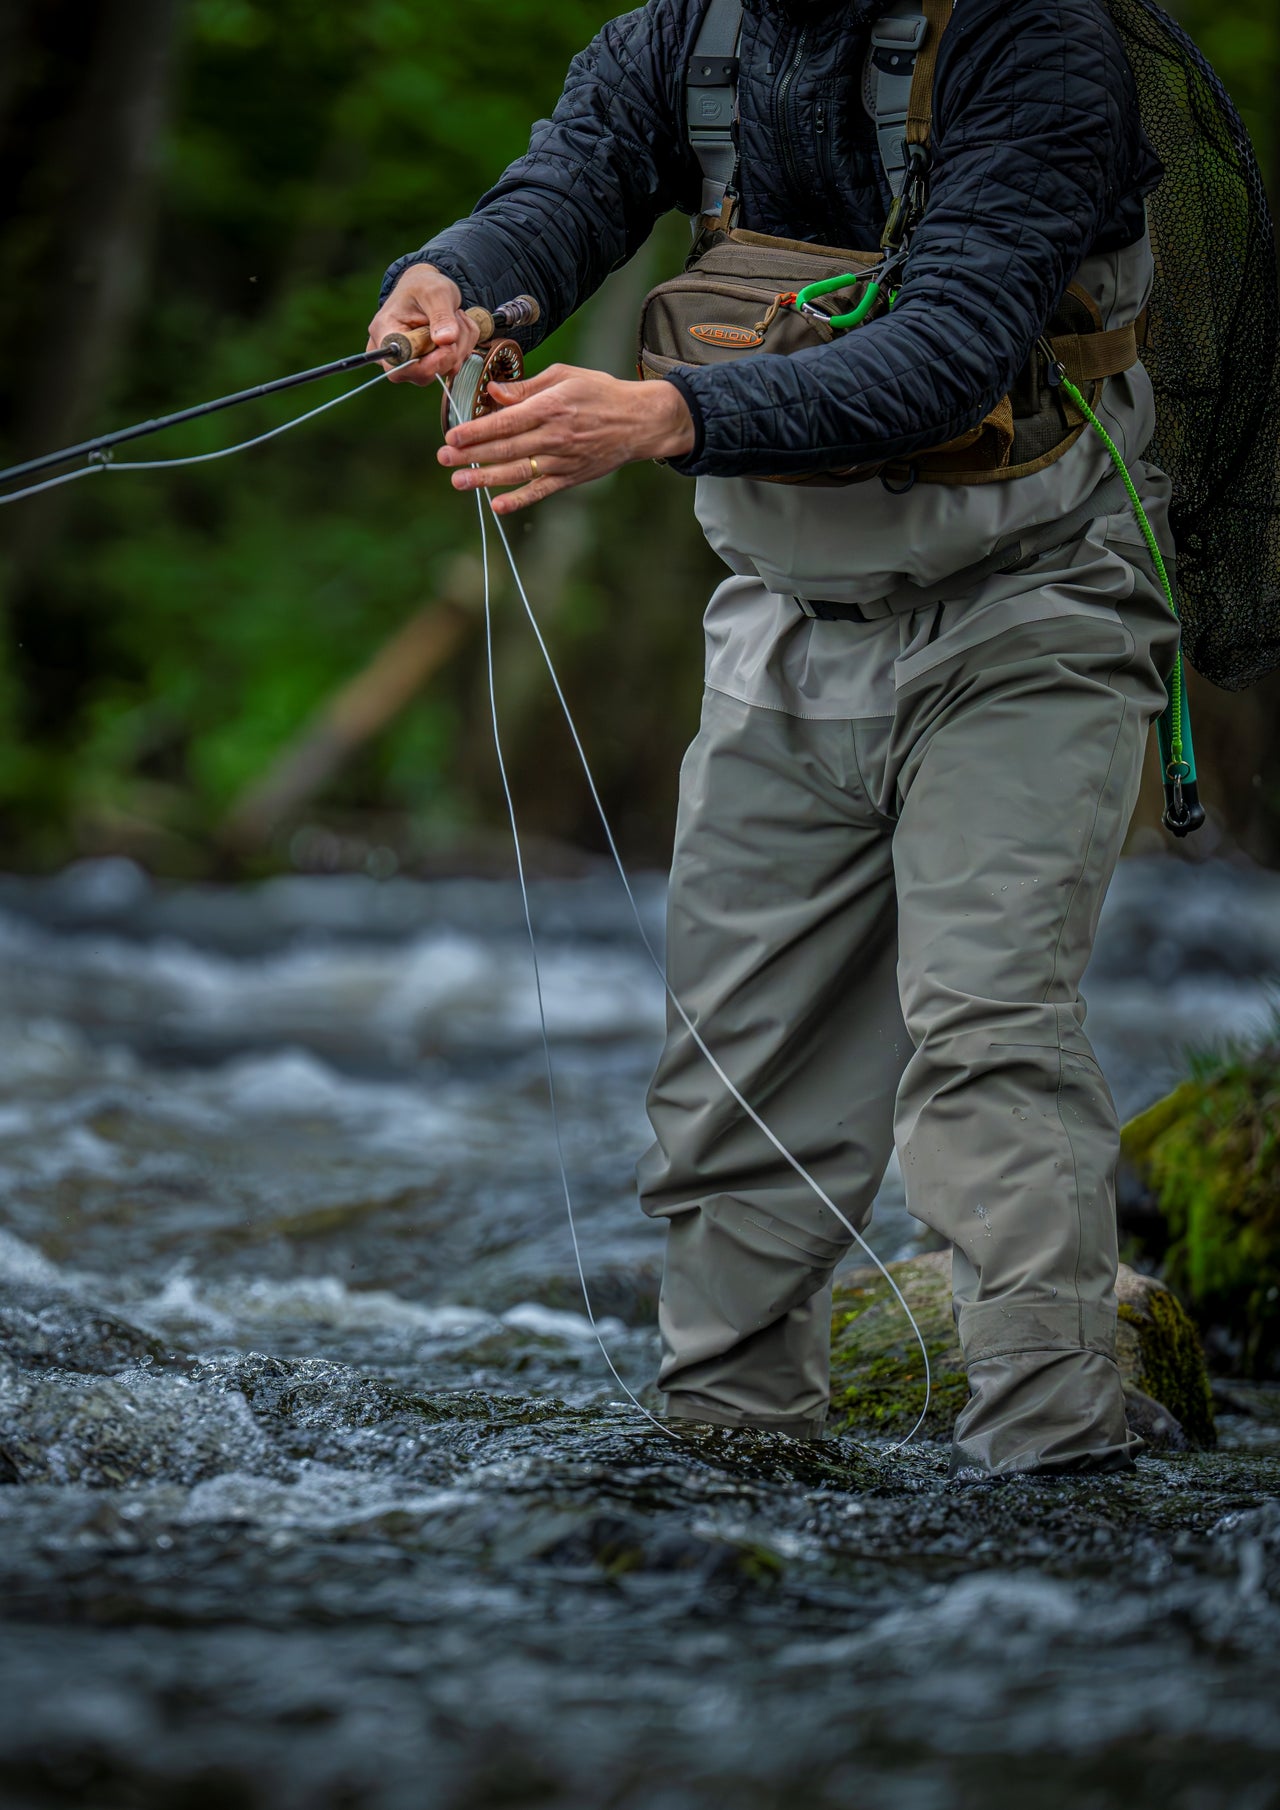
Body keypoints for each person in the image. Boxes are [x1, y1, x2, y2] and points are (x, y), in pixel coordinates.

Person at [367, 0, 1178, 1476]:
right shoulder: (681, 34)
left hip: (1033, 608)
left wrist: (663, 413)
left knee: (988, 1039)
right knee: (727, 1080)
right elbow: (571, 188)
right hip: (789, 618)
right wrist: (457, 278)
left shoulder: (1036, 41)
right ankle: (732, 1468)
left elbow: (950, 349)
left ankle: (1059, 1483)